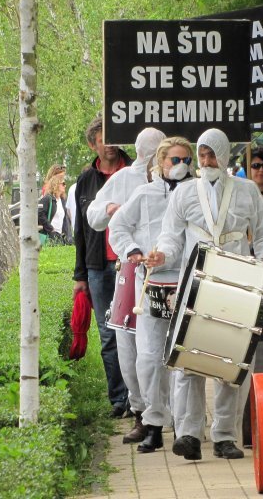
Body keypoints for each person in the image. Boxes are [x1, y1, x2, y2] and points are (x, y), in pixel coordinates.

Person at [146, 128, 263, 461]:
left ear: (223, 153)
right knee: (188, 359)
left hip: (237, 284)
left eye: (212, 154)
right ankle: (189, 434)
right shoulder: (185, 193)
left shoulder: (247, 191)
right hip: (197, 283)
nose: (206, 161)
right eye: (202, 155)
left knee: (232, 361)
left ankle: (224, 435)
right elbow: (171, 237)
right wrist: (162, 254)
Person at [109, 136, 194, 453]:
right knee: (148, 358)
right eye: (175, 160)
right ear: (160, 162)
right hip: (152, 284)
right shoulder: (143, 194)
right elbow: (118, 226)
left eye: (187, 160)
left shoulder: (197, 195)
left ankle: (187, 429)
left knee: (185, 359)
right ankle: (154, 423)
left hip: (187, 283)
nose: (181, 166)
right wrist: (132, 251)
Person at [86, 125, 165, 443]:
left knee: (168, 344)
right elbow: (93, 215)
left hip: (168, 272)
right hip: (132, 271)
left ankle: (171, 414)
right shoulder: (122, 180)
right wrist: (108, 209)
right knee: (129, 346)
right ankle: (140, 412)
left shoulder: (173, 181)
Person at [73, 116, 134, 420]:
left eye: (114, 137)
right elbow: (80, 232)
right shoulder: (85, 181)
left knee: (136, 333)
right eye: (103, 138)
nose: (110, 144)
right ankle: (119, 399)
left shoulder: (136, 172)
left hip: (131, 265)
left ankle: (140, 398)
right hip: (98, 267)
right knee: (108, 336)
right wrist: (79, 276)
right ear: (92, 143)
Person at [38, 172, 72, 246]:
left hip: (59, 235)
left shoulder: (62, 200)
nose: (65, 186)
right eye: (63, 183)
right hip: (50, 235)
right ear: (55, 184)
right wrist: (50, 229)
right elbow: (40, 214)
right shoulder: (47, 198)